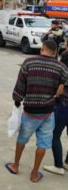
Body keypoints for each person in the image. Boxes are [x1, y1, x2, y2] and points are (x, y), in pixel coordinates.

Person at [5, 40, 68, 183]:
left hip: (30, 111)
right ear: (55, 52)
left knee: (22, 139)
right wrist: (58, 93)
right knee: (43, 143)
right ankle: (34, 173)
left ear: (42, 49)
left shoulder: (29, 62)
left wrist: (17, 100)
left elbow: (20, 84)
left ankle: (15, 166)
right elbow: (64, 85)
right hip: (48, 111)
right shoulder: (62, 67)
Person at [43, 37, 68, 175]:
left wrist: (55, 97)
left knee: (55, 134)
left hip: (64, 103)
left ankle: (58, 165)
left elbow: (61, 80)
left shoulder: (65, 56)